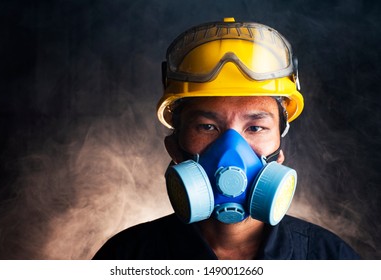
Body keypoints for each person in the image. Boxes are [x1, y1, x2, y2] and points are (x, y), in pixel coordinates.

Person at [93, 18, 360, 260]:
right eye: (208, 126)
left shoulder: (329, 259)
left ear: (279, 149)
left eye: (255, 128)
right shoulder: (126, 256)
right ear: (174, 147)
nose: (231, 150)